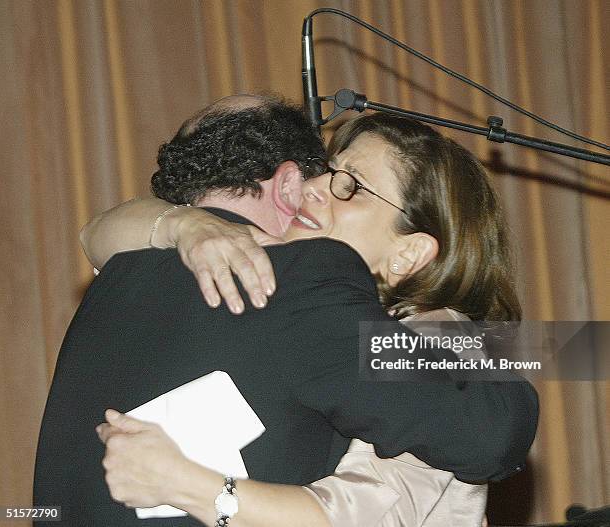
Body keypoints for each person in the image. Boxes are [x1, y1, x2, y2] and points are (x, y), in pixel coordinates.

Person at [34, 95, 537, 527]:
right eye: (327, 172)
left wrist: (190, 485)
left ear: (408, 253)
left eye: (351, 185)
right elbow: (97, 235)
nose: (315, 189)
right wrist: (185, 226)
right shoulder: (291, 291)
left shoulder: (435, 336)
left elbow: (371, 511)